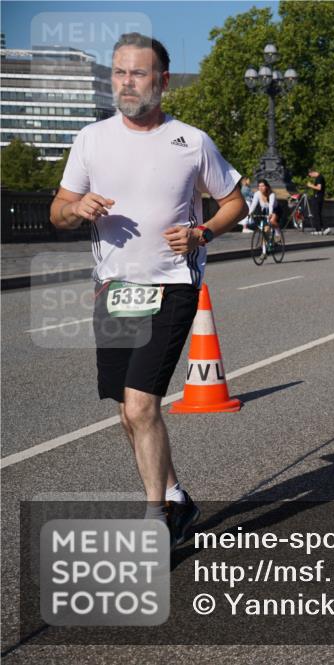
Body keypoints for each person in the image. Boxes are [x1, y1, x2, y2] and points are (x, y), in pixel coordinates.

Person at [48, 32, 246, 546]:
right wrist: (77, 208)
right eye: (118, 72)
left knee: (142, 406)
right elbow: (58, 210)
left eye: (137, 73)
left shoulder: (191, 141)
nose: (126, 83)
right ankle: (177, 498)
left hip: (170, 286)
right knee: (125, 409)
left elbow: (234, 203)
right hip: (113, 289)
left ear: (160, 80)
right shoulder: (92, 139)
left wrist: (202, 232)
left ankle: (156, 519)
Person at [248, 179, 281, 254]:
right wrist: (249, 213)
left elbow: (271, 205)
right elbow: (253, 204)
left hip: (275, 209)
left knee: (272, 221)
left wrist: (270, 214)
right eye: (259, 186)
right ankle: (264, 252)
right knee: (265, 230)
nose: (261, 187)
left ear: (266, 186)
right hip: (264, 210)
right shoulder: (257, 194)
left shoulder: (271, 194)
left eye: (262, 186)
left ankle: (278, 234)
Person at [304, 169, 325, 233]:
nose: (311, 177)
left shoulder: (319, 178)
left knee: (316, 213)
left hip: (318, 198)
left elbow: (319, 188)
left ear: (312, 172)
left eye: (310, 175)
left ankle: (318, 229)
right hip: (319, 197)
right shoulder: (320, 177)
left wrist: (310, 185)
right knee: (318, 213)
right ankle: (321, 228)